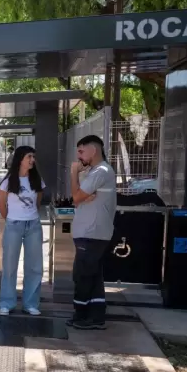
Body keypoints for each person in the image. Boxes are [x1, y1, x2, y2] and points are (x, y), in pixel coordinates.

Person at [68, 135, 117, 329]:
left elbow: (76, 196)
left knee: (83, 276)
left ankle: (81, 316)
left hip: (91, 233)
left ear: (93, 151)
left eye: (81, 151)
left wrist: (73, 174)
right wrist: (80, 196)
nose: (79, 157)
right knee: (94, 275)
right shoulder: (97, 171)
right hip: (91, 233)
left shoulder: (101, 171)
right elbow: (78, 197)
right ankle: (96, 316)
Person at [0, 146, 45, 316]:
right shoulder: (9, 180)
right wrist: (11, 219)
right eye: (29, 157)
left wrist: (30, 216)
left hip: (33, 226)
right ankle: (6, 303)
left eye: (33, 156)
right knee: (10, 266)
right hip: (13, 226)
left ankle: (31, 303)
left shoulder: (36, 179)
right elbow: (1, 204)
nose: (32, 160)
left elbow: (38, 201)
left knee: (35, 267)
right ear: (20, 159)